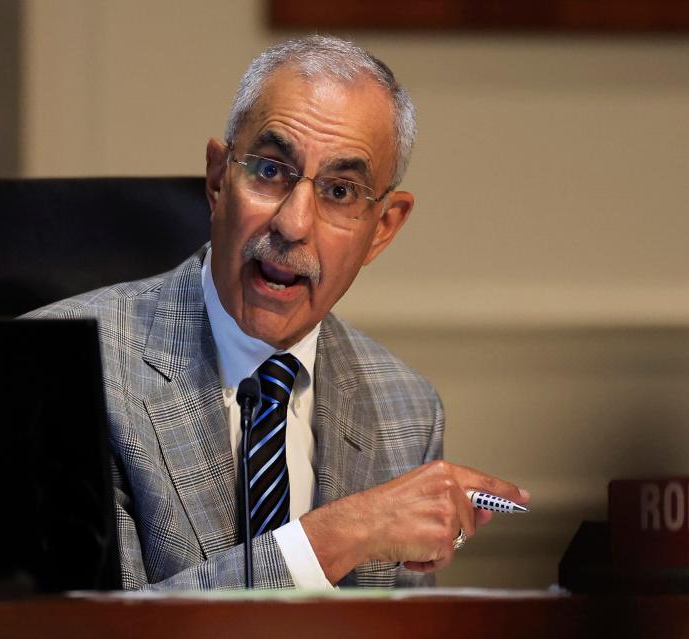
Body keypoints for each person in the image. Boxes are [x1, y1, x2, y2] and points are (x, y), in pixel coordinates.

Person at [26, 35, 528, 589]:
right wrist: (336, 537)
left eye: (340, 191)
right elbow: (92, 627)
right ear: (218, 181)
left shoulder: (405, 409)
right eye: (269, 171)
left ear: (383, 228)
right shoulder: (66, 370)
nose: (292, 224)